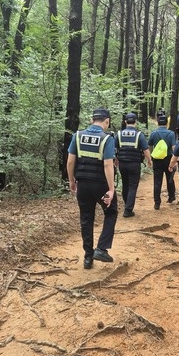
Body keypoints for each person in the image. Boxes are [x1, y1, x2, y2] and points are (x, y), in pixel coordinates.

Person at [66, 108, 118, 269]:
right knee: (111, 212)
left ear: (91, 119)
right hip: (101, 185)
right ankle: (101, 248)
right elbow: (108, 164)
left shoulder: (78, 136)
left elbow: (70, 161)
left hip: (83, 185)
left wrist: (72, 181)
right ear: (107, 121)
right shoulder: (107, 139)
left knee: (86, 219)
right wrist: (111, 189)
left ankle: (88, 257)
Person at [115, 112, 152, 217]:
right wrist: (149, 160)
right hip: (134, 164)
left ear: (125, 122)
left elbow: (114, 149)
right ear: (135, 122)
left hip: (122, 164)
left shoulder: (119, 134)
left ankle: (127, 205)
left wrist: (115, 160)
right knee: (132, 186)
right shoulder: (139, 135)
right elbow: (145, 149)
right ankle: (128, 210)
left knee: (125, 185)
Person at [148, 115, 176, 209]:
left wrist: (152, 154)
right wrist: (175, 160)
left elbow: (150, 146)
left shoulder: (154, 133)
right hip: (168, 159)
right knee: (170, 178)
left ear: (158, 123)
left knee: (157, 181)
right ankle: (171, 197)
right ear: (166, 123)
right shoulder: (171, 133)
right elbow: (173, 148)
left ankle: (157, 203)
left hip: (157, 159)